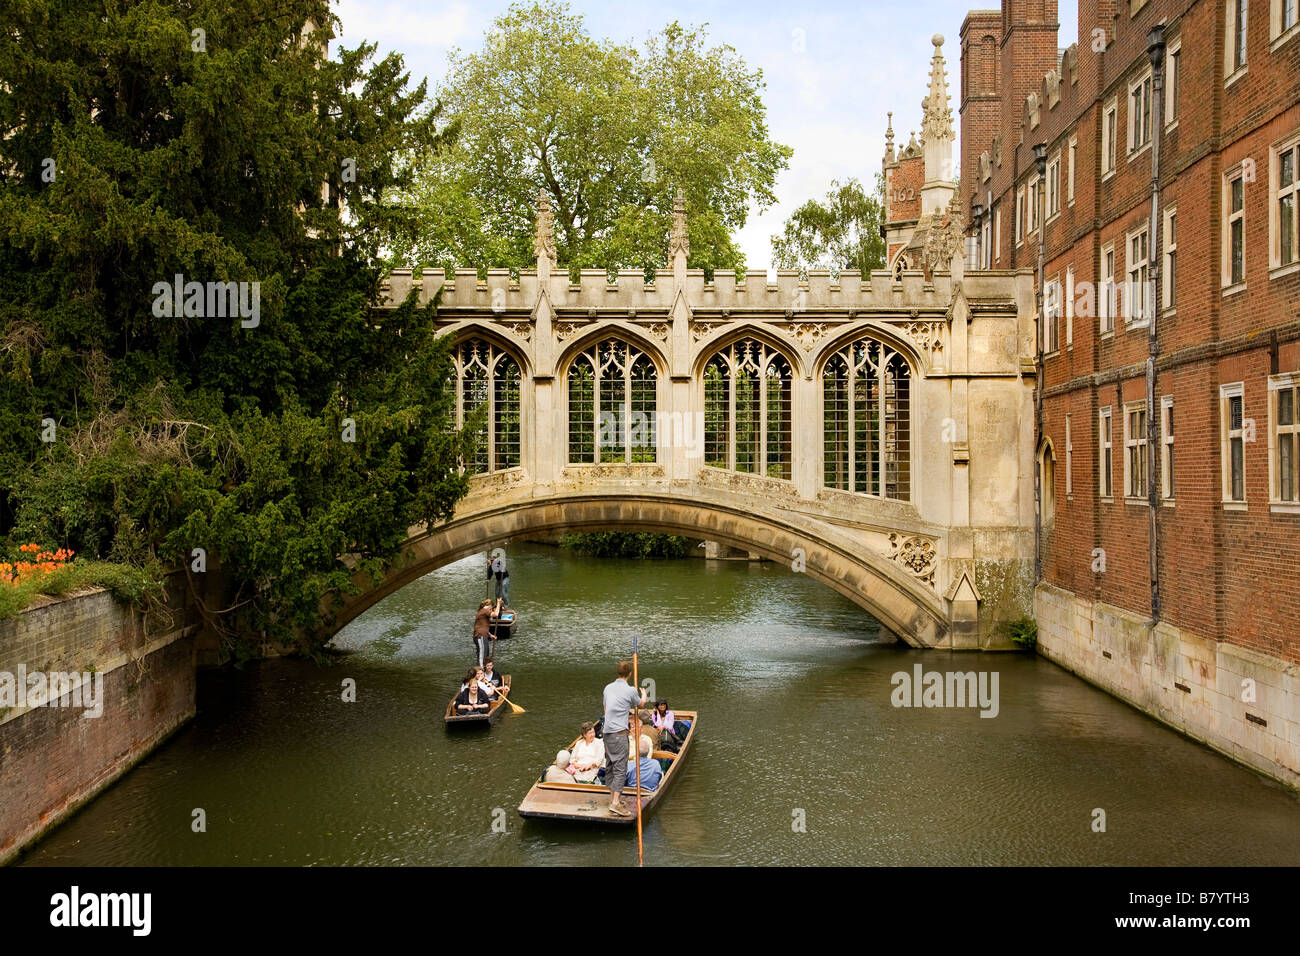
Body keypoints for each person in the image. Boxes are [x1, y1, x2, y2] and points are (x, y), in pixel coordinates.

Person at [601, 661, 648, 816]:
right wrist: (644, 694)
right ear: (629, 674)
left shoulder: (608, 687)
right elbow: (640, 705)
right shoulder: (630, 690)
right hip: (619, 734)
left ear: (617, 673)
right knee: (621, 768)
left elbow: (606, 708)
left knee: (610, 764)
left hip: (606, 732)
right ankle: (615, 803)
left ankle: (612, 798)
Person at [472, 599, 497, 667]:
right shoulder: (484, 610)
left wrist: (490, 635)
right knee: (482, 655)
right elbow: (495, 614)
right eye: (491, 608)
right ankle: (480, 670)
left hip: (483, 635)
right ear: (489, 606)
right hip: (480, 636)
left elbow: (482, 625)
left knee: (486, 654)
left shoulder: (482, 612)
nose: (491, 610)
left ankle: (485, 670)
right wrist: (499, 604)